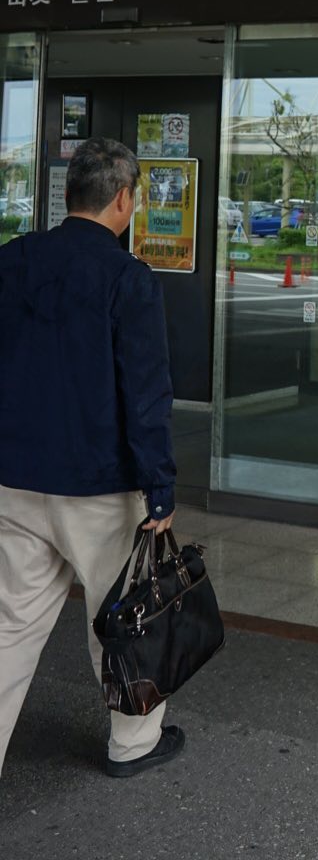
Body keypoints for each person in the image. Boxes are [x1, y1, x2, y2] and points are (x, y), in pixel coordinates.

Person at [0, 138, 183, 779]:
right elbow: (146, 392)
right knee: (125, 615)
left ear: (70, 193)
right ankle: (132, 744)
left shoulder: (11, 261)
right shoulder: (127, 278)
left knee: (12, 623)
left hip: (14, 476)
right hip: (100, 485)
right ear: (125, 199)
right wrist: (159, 486)